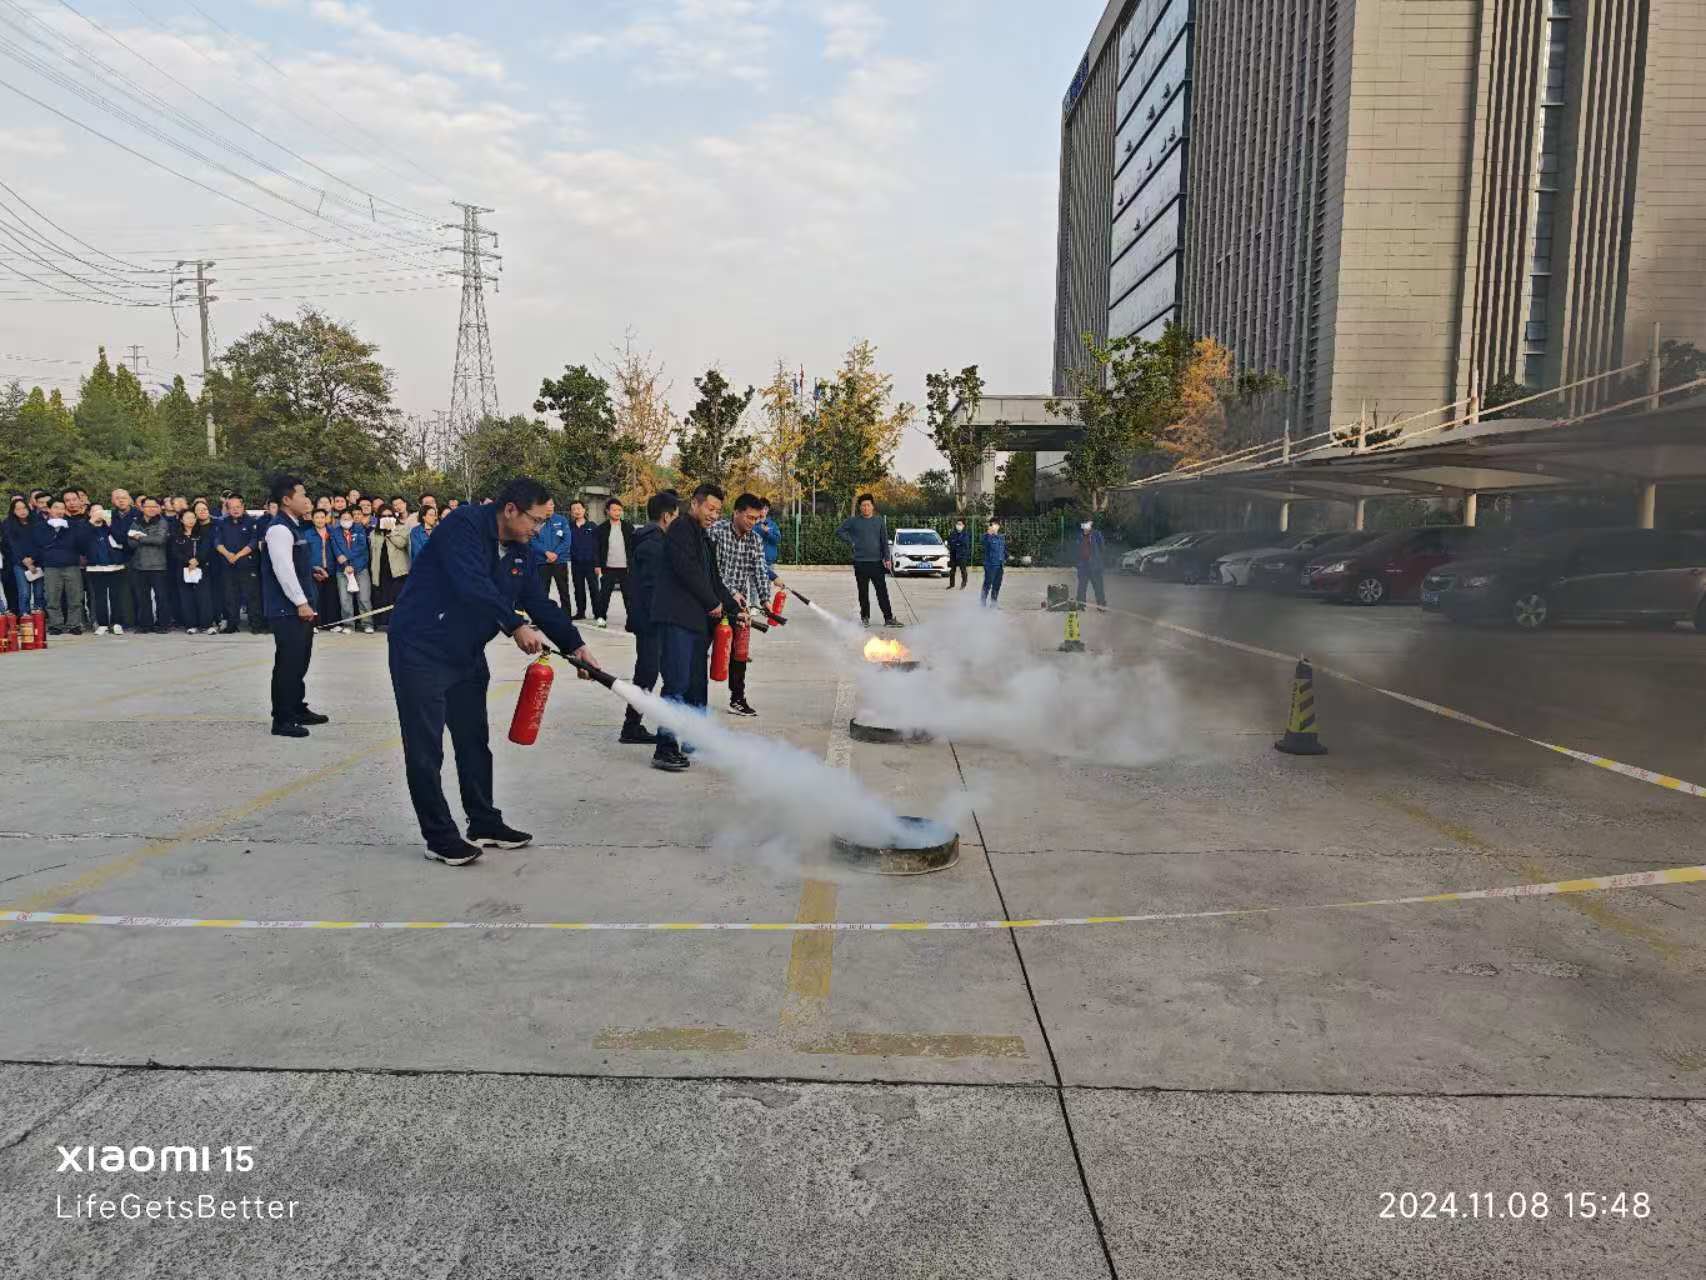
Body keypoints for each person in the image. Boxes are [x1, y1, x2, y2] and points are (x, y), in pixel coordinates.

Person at [387, 477, 601, 866]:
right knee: (425, 748)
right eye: (534, 521)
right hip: (421, 648)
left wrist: (575, 645)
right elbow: (472, 584)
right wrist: (514, 625)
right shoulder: (463, 526)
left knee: (473, 741)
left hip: (465, 652)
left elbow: (538, 600)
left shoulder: (521, 551)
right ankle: (439, 836)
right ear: (510, 510)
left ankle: (483, 821)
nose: (538, 530)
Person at [649, 483, 739, 773]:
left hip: (697, 623)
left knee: (696, 685)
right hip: (677, 619)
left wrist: (734, 606)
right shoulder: (680, 530)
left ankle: (693, 737)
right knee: (675, 683)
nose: (714, 515)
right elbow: (686, 570)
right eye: (710, 509)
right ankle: (665, 748)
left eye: (718, 511)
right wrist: (713, 602)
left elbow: (712, 579)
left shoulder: (704, 538)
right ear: (695, 504)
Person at [260, 476, 327, 739]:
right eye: (303, 494)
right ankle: (283, 719)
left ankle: (297, 708)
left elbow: (294, 565)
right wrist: (300, 602)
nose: (308, 499)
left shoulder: (295, 526)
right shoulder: (279, 529)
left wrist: (311, 571)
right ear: (287, 500)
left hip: (297, 607)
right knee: (288, 663)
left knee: (300, 662)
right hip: (286, 610)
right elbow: (283, 570)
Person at [618, 490, 678, 746]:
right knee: (647, 673)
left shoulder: (649, 539)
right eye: (676, 516)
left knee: (648, 672)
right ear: (666, 516)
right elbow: (653, 589)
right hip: (651, 621)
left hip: (650, 618)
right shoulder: (653, 545)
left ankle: (632, 725)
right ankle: (630, 727)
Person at [708, 493, 774, 718]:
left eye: (756, 519)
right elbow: (713, 570)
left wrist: (765, 599)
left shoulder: (754, 539)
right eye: (749, 517)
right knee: (701, 649)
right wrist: (731, 593)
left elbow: (759, 569)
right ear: (736, 512)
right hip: (712, 599)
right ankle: (693, 699)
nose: (752, 523)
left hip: (739, 603)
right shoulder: (716, 532)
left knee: (740, 652)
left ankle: (737, 698)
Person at [836, 493, 902, 628]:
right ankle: (865, 617)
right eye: (863, 506)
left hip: (877, 562)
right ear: (860, 507)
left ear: (873, 507)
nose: (866, 508)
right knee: (863, 592)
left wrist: (887, 558)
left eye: (868, 505)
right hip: (860, 563)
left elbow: (884, 541)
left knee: (882, 591)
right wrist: (852, 541)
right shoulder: (853, 521)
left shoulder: (879, 521)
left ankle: (888, 618)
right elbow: (840, 531)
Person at [213, 495, 262, 634]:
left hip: (247, 564)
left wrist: (238, 555)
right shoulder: (222, 523)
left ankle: (256, 625)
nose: (235, 510)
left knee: (252, 596)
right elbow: (217, 542)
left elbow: (253, 543)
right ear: (227, 509)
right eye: (231, 507)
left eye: (238, 507)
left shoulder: (252, 522)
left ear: (243, 507)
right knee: (230, 596)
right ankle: (232, 625)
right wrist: (228, 555)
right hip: (228, 564)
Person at [36, 498, 85, 635]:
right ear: (49, 510)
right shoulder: (41, 526)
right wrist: (54, 531)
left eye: (62, 508)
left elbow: (77, 543)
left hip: (71, 565)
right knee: (52, 597)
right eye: (56, 508)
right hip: (51, 566)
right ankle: (55, 625)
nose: (59, 511)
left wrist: (64, 530)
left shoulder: (72, 525)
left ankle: (74, 624)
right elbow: (42, 543)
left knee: (75, 597)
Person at [127, 496, 172, 632]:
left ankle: (163, 624)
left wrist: (140, 537)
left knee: (161, 597)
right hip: (139, 565)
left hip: (158, 565)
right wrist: (146, 538)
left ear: (159, 508)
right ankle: (145, 625)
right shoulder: (136, 522)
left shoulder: (162, 522)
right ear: (142, 508)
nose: (151, 509)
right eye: (148, 506)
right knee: (143, 598)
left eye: (154, 506)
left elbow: (160, 540)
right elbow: (130, 542)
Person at [81, 504, 127, 634]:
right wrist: (91, 523)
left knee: (116, 595)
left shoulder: (112, 525)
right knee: (99, 597)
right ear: (89, 513)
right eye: (95, 511)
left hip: (115, 565)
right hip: (95, 567)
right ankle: (102, 623)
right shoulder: (85, 527)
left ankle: (117, 622)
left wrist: (110, 524)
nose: (99, 513)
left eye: (101, 510)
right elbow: (80, 542)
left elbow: (122, 539)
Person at [170, 508, 215, 633]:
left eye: (193, 518)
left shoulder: (203, 533)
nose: (191, 520)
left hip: (201, 568)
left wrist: (197, 560)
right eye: (188, 518)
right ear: (181, 520)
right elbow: (175, 552)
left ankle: (206, 625)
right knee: (186, 597)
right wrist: (188, 561)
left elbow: (206, 549)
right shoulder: (176, 535)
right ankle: (191, 624)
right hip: (183, 569)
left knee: (204, 596)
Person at [331, 505, 374, 633]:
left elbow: (360, 549)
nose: (346, 520)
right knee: (345, 599)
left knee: (364, 598)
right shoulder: (335, 532)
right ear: (339, 520)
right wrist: (344, 564)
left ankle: (367, 623)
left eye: (348, 518)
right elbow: (336, 549)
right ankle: (348, 625)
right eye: (343, 518)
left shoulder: (360, 529)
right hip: (342, 570)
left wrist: (349, 563)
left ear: (352, 518)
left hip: (360, 568)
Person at [371, 499, 411, 628]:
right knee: (383, 597)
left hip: (398, 570)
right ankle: (384, 623)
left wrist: (390, 531)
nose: (387, 518)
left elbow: (401, 544)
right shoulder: (374, 533)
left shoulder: (402, 528)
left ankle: (398, 624)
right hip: (380, 570)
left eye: (389, 516)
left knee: (397, 598)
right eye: (383, 516)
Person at [593, 497, 631, 629]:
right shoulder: (601, 529)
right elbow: (596, 548)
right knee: (604, 595)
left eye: (619, 510)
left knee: (629, 596)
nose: (617, 512)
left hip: (625, 568)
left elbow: (633, 548)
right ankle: (601, 618)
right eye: (614, 509)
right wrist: (597, 565)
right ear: (608, 511)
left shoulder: (628, 527)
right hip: (608, 567)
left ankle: (631, 621)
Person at [4, 495, 42, 617]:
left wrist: (33, 559)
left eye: (24, 508)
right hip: (19, 563)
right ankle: (24, 615)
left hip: (37, 562)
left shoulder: (37, 522)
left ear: (28, 508)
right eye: (18, 509)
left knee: (39, 593)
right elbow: (12, 546)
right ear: (13, 511)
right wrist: (24, 561)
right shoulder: (9, 525)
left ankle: (39, 617)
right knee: (24, 592)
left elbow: (41, 543)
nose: (22, 511)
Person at [531, 497, 572, 607]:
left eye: (550, 504)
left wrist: (555, 554)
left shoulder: (562, 520)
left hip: (560, 561)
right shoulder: (536, 521)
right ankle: (541, 618)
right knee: (542, 591)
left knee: (563, 590)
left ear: (554, 506)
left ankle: (566, 616)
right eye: (545, 505)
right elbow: (532, 540)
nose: (548, 507)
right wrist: (546, 552)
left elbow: (567, 540)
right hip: (542, 561)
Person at [306, 508, 342, 630]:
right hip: (315, 570)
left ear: (326, 518)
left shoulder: (333, 532)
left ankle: (332, 624)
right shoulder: (307, 533)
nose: (320, 520)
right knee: (315, 598)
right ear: (312, 519)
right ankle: (314, 625)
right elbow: (304, 555)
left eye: (322, 517)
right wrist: (312, 569)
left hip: (331, 569)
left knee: (331, 598)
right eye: (317, 517)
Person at [567, 499, 599, 620]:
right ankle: (581, 612)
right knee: (578, 589)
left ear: (584, 510)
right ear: (571, 512)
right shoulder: (569, 527)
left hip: (591, 563)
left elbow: (597, 546)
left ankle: (598, 612)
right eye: (574, 509)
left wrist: (597, 564)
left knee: (594, 589)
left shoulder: (592, 526)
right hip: (576, 563)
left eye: (579, 508)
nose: (577, 511)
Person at [1076, 517, 1107, 608]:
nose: (1085, 528)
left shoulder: (1097, 534)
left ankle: (1101, 605)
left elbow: (1102, 548)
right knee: (1081, 587)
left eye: (1087, 525)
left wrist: (1097, 560)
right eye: (1083, 526)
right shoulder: (1079, 535)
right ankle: (1081, 605)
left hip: (1095, 566)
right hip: (1083, 565)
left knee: (1098, 587)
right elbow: (1077, 550)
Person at [980, 520, 1007, 607]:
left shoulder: (1000, 538)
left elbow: (1003, 550)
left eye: (996, 524)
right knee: (987, 584)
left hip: (999, 565)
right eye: (992, 525)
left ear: (998, 526)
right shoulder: (987, 537)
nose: (994, 526)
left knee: (997, 584)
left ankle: (993, 603)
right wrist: (988, 534)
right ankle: (982, 603)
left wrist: (1006, 557)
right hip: (990, 565)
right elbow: (983, 543)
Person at [946, 517, 971, 590]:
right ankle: (951, 584)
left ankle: (964, 583)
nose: (958, 525)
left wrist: (956, 543)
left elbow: (964, 543)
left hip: (962, 555)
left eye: (960, 524)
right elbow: (950, 542)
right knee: (952, 570)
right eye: (957, 524)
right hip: (953, 554)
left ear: (963, 526)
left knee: (963, 570)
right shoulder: (953, 533)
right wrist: (957, 543)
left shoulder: (965, 534)